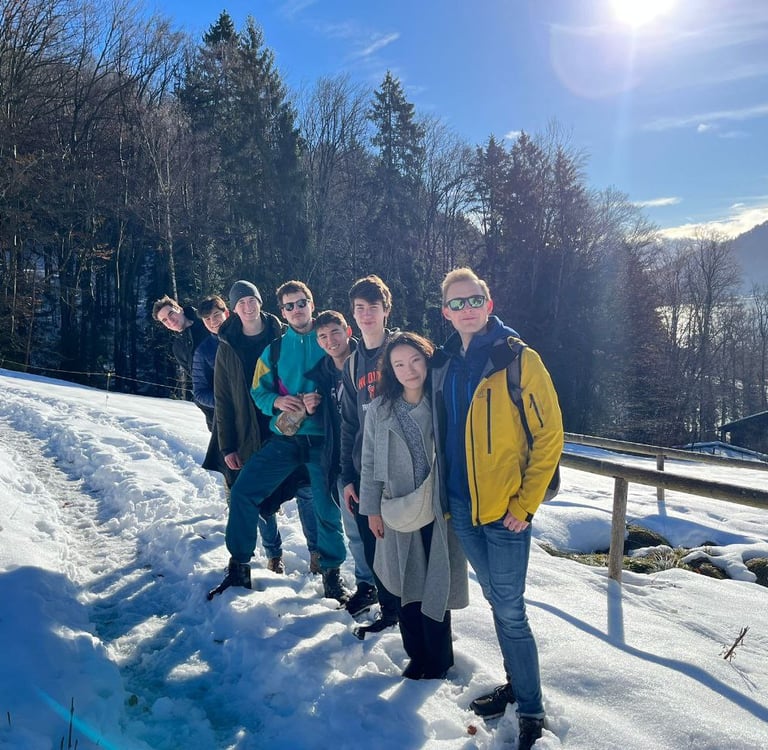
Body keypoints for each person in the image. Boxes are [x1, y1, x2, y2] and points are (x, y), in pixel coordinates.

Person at [431, 268, 563, 750]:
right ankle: (516, 687)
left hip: (504, 510)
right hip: (462, 505)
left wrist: (526, 505)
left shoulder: (518, 358)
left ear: (489, 302)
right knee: (496, 600)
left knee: (510, 610)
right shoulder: (444, 361)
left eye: (474, 300)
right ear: (445, 312)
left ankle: (530, 709)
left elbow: (549, 436)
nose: (467, 309)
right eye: (457, 303)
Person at [213, 281, 349, 604]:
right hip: (286, 437)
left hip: (323, 440)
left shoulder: (330, 339)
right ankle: (239, 567)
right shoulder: (273, 350)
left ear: (311, 304)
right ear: (282, 311)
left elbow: (349, 385)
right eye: (288, 306)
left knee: (325, 505)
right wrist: (277, 401)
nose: (295, 310)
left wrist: (322, 402)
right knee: (244, 489)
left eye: (301, 303)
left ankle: (332, 576)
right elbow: (257, 391)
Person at [359, 332, 468, 679]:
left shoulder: (442, 403)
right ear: (390, 369)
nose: (409, 369)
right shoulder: (381, 408)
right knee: (406, 584)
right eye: (399, 364)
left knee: (436, 582)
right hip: (397, 508)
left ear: (427, 358)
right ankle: (416, 655)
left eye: (416, 360)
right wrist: (372, 509)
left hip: (438, 509)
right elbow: (370, 460)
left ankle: (438, 659)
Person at [192, 292, 287, 574]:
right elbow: (212, 395)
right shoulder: (215, 348)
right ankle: (268, 554)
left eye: (216, 315)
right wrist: (228, 438)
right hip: (238, 428)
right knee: (247, 493)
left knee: (300, 491)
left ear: (227, 313)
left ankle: (317, 557)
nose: (213, 322)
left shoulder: (276, 336)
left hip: (278, 425)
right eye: (207, 319)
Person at [306, 311, 377, 618]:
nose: (331, 341)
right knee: (354, 529)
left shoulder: (368, 361)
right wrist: (310, 409)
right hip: (339, 462)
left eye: (335, 333)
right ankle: (367, 585)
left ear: (348, 330)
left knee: (381, 530)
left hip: (371, 457)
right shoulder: (320, 374)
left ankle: (387, 587)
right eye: (323, 337)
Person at [340, 275, 400, 633]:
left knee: (401, 548)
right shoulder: (352, 363)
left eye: (372, 308)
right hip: (365, 469)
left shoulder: (400, 352)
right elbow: (348, 421)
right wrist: (348, 476)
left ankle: (409, 616)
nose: (365, 315)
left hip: (399, 468)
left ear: (385, 310)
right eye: (359, 309)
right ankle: (389, 612)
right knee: (373, 546)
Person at [152, 294, 211, 426]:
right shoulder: (178, 347)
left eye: (171, 314)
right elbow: (194, 376)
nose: (170, 321)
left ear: (180, 309)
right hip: (212, 404)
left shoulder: (207, 322)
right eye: (165, 320)